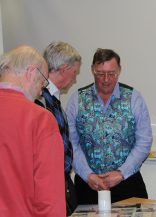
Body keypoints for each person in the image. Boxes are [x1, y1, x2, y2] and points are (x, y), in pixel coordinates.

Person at [66, 48, 153, 204]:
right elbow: (72, 143)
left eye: (111, 73)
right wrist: (87, 174)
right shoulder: (76, 100)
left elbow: (144, 141)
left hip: (127, 183)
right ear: (92, 69)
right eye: (100, 73)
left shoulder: (134, 98)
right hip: (88, 186)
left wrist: (121, 173)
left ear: (119, 70)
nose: (106, 79)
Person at [0, 45, 65, 216]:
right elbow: (50, 197)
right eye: (43, 82)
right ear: (30, 72)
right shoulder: (40, 119)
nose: (41, 91)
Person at [35, 41, 81, 215]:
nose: (75, 78)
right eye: (74, 72)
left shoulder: (53, 99)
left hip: (62, 181)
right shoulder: (39, 100)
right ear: (63, 69)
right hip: (48, 184)